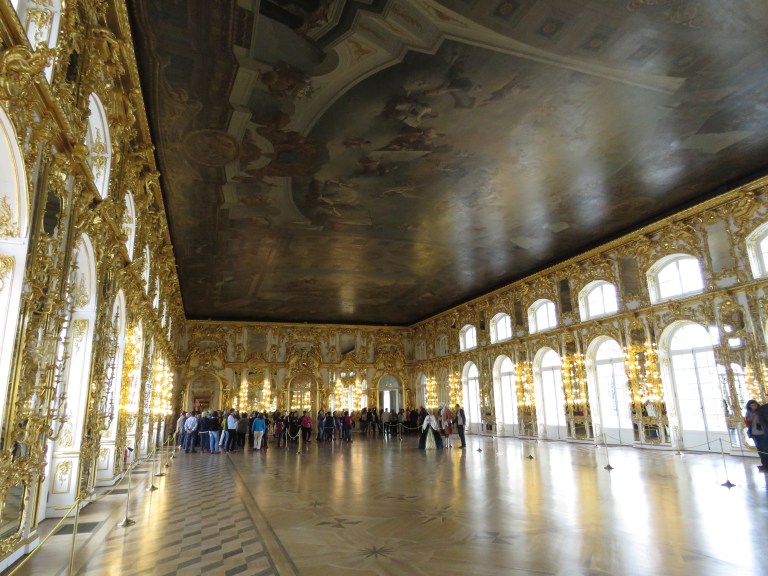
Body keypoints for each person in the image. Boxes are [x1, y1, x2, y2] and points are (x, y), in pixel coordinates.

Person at [746, 400, 768, 471]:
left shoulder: (762, 410)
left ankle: (767, 465)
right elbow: (748, 423)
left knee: (765, 449)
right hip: (754, 434)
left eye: (754, 405)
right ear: (749, 406)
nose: (753, 406)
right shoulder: (748, 413)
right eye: (751, 405)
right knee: (760, 450)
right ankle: (764, 464)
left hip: (763, 433)